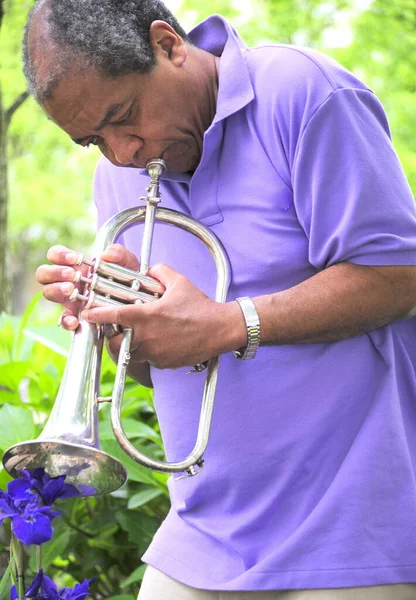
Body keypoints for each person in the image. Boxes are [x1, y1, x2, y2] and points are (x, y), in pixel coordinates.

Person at [24, 0, 416, 598]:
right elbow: (160, 374)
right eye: (91, 141)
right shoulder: (118, 176)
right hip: (203, 533)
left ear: (168, 45)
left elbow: (401, 274)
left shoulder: (303, 93)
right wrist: (120, 327)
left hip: (352, 532)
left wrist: (230, 324)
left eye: (124, 117)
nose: (122, 154)